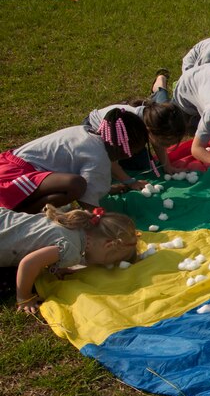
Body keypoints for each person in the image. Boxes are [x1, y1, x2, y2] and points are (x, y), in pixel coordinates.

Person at [0, 108, 148, 213]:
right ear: (125, 147)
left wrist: (107, 188)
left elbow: (87, 174)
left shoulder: (88, 133)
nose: (132, 156)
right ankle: (21, 212)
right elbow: (88, 202)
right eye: (134, 151)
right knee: (75, 185)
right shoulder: (98, 156)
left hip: (12, 166)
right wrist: (104, 221)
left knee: (76, 184)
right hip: (13, 179)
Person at [1, 205, 138, 314]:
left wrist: (57, 266)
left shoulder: (72, 224)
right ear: (108, 246)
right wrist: (24, 297)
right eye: (109, 260)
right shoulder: (70, 249)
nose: (103, 264)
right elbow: (28, 263)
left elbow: (41, 241)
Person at [84, 97, 187, 190]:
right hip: (98, 135)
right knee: (106, 171)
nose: (168, 146)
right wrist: (130, 182)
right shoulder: (126, 128)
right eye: (165, 142)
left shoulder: (152, 120)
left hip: (125, 135)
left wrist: (166, 165)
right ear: (149, 131)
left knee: (141, 165)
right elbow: (109, 158)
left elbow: (157, 142)